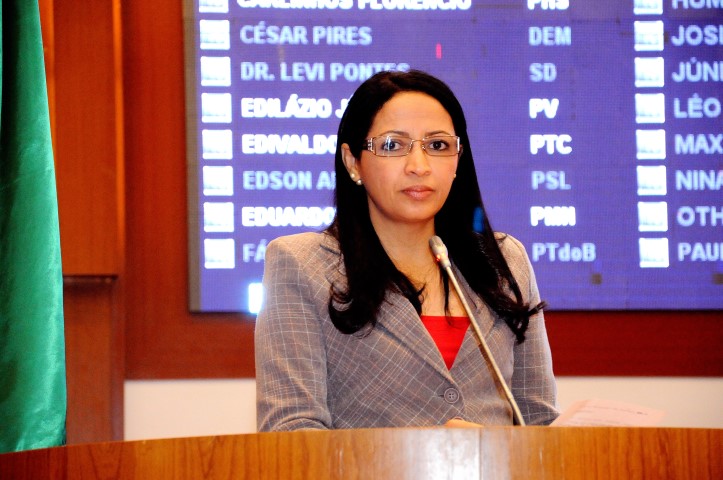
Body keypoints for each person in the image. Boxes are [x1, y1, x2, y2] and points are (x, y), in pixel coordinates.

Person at [255, 70, 558, 431]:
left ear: (458, 159)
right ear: (353, 163)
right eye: (393, 145)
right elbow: (291, 434)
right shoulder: (301, 264)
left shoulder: (505, 261)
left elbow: (538, 423)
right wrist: (423, 456)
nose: (419, 166)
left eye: (438, 146)